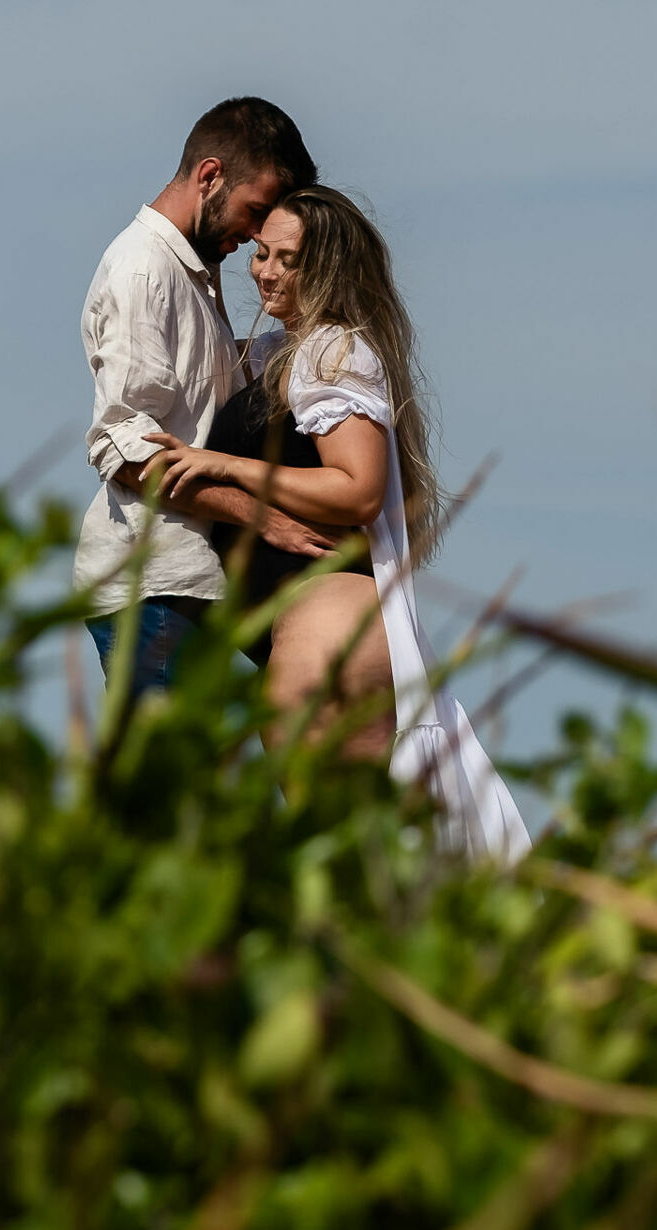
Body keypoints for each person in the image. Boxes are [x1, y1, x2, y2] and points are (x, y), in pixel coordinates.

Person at [144, 186, 532, 863]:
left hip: (328, 638)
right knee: (355, 865)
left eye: (288, 260)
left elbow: (357, 489)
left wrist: (225, 469)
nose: (266, 272)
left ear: (326, 270)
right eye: (262, 254)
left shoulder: (332, 355)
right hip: (318, 638)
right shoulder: (283, 354)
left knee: (349, 868)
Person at [73, 97, 329, 698]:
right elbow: (125, 449)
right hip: (153, 580)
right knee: (159, 782)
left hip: (196, 580)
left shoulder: (192, 270)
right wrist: (261, 516)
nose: (255, 233)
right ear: (210, 176)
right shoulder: (143, 269)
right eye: (255, 210)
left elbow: (215, 394)